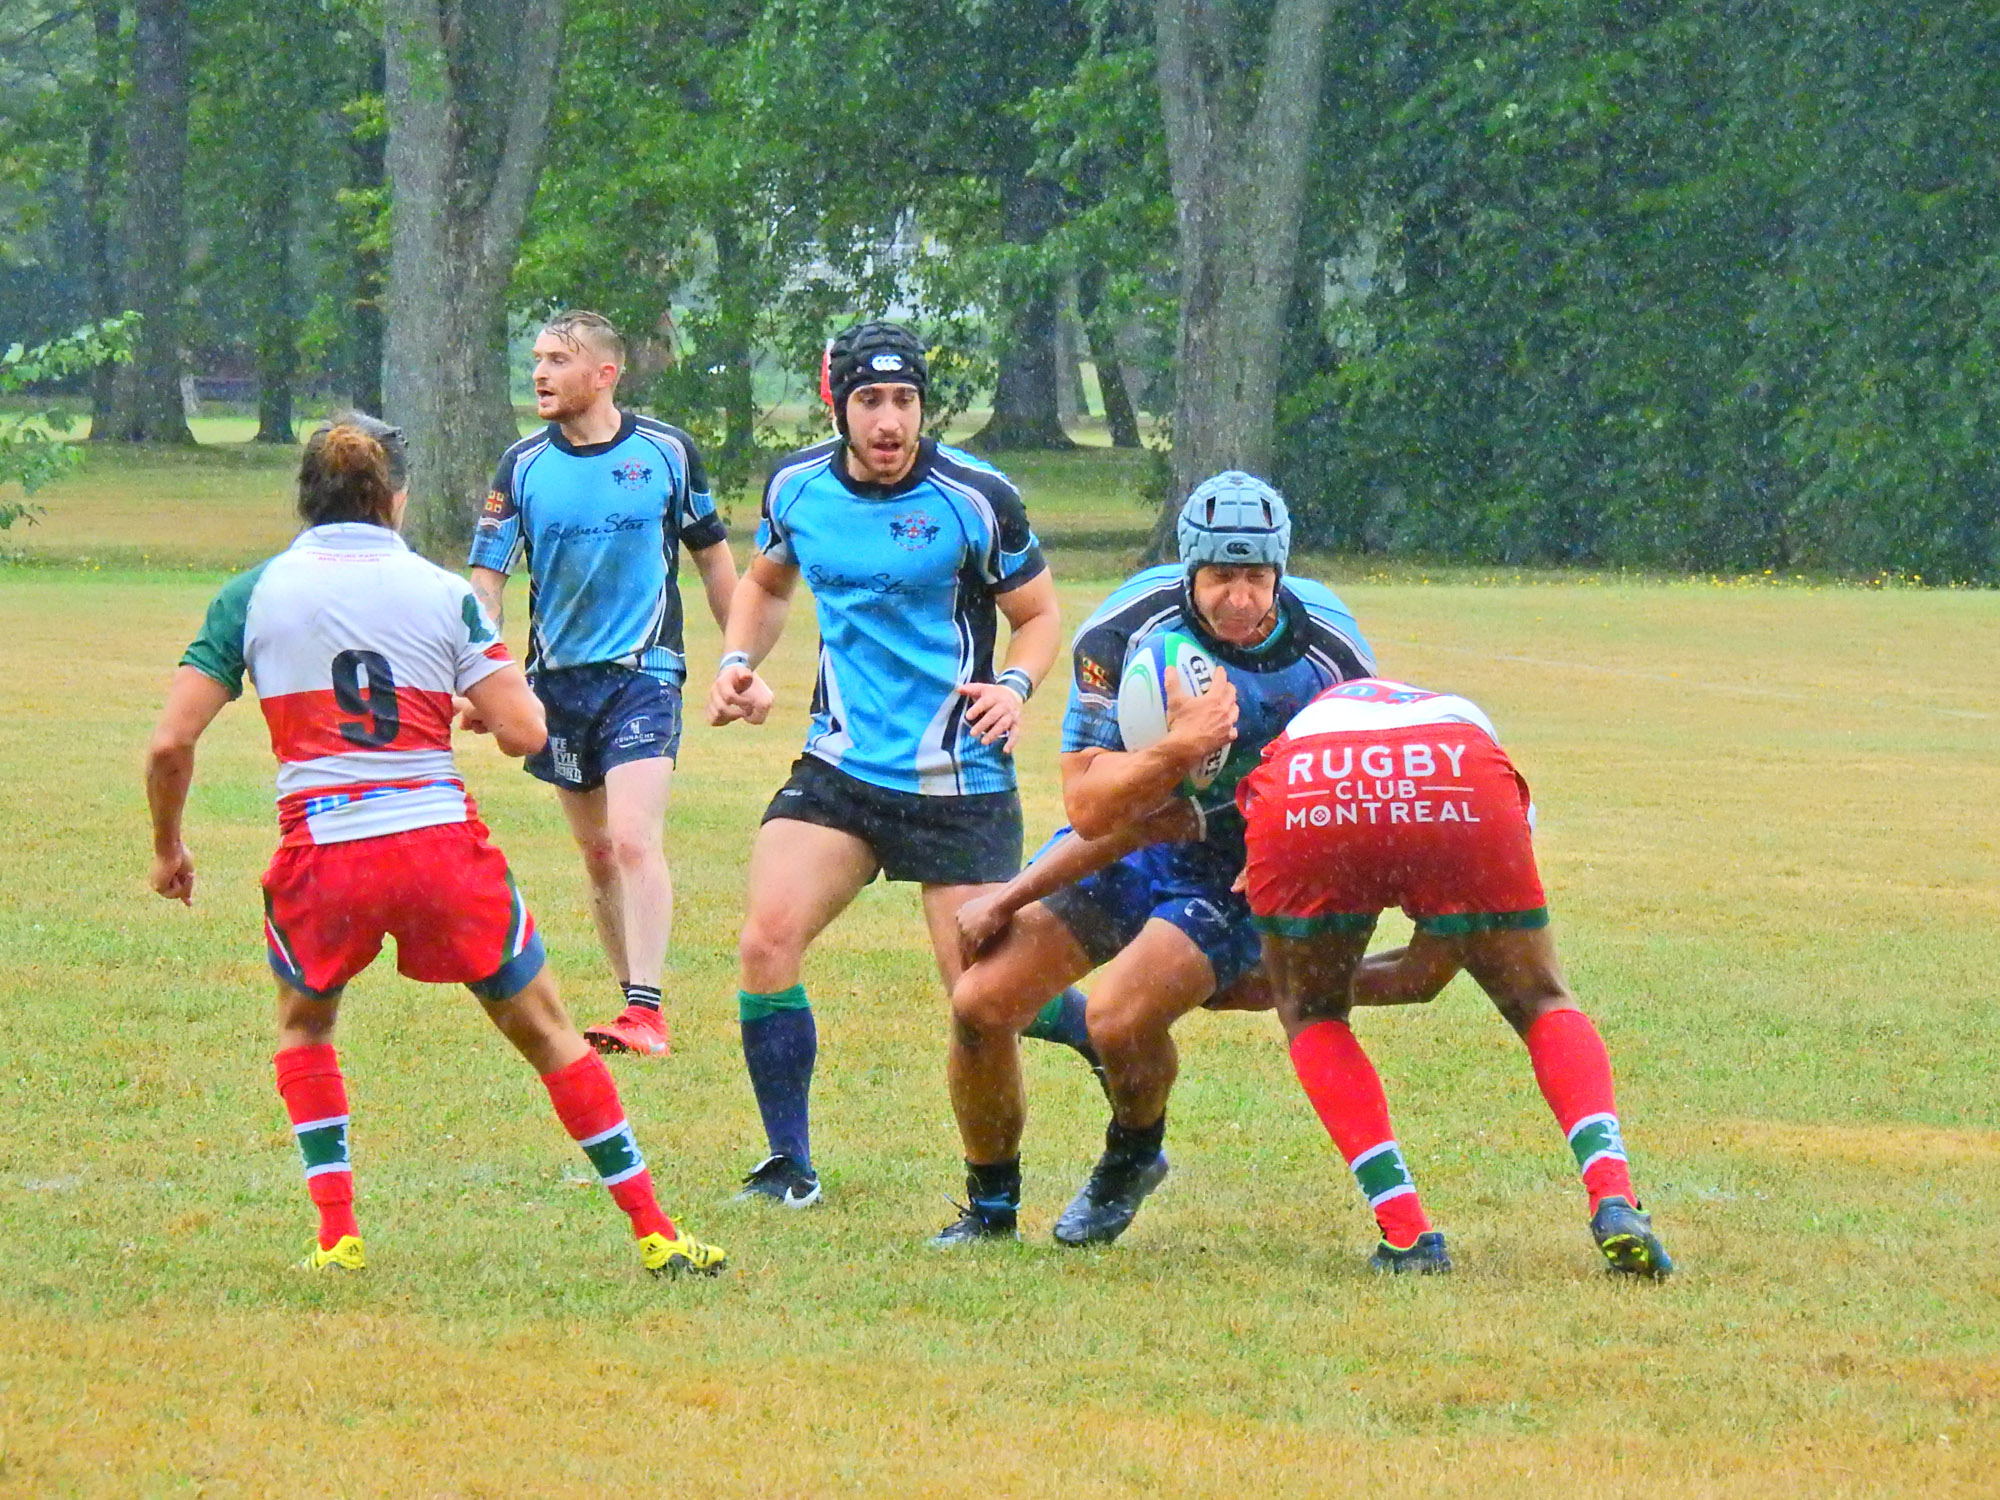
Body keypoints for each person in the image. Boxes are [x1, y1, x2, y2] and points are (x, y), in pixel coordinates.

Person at [145, 415, 726, 1279]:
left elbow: (170, 744)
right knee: (549, 1034)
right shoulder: (439, 591)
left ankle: (336, 1238)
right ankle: (654, 1231)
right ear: (397, 498)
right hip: (437, 849)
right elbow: (527, 732)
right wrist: (480, 709)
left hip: (324, 851)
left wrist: (169, 847)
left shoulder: (253, 595)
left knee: (305, 1028)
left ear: (305, 497)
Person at [938, 473, 1376, 1246]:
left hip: (1239, 872)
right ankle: (991, 1209)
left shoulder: (1331, 654)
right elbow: (1089, 806)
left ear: (1280, 571)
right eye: (1221, 577)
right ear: (1189, 571)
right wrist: (1181, 747)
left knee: (1117, 1020)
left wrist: (1311, 914)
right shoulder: (1122, 633)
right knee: (980, 1003)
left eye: (1256, 577)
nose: (1239, 598)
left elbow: (1361, 802)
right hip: (1134, 839)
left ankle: (1132, 1155)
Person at [705, 320, 1064, 1208]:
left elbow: (1039, 615)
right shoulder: (796, 487)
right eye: (871, 400)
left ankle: (1116, 1037)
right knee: (766, 941)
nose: (890, 421)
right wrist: (737, 661)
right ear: (839, 405)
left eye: (905, 400)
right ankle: (789, 1165)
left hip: (958, 783)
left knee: (987, 1004)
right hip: (843, 771)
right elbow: (766, 582)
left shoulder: (976, 497)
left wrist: (1015, 685)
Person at [1236, 675, 1674, 1277]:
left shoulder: (1299, 733)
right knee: (1541, 999)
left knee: (1312, 1015)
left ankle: (1407, 1234)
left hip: (1310, 781)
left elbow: (1417, 980)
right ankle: (1614, 1197)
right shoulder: (1463, 729)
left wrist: (1298, 989)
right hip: (1458, 770)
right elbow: (1430, 971)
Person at [468, 310, 738, 1059]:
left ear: (605, 374)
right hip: (556, 684)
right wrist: (483, 672)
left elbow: (714, 558)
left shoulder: (666, 453)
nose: (540, 373)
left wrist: (737, 658)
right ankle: (631, 1004)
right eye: (536, 359)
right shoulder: (522, 465)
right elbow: (487, 579)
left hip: (644, 674)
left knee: (631, 839)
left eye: (558, 360)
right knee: (596, 855)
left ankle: (648, 1012)